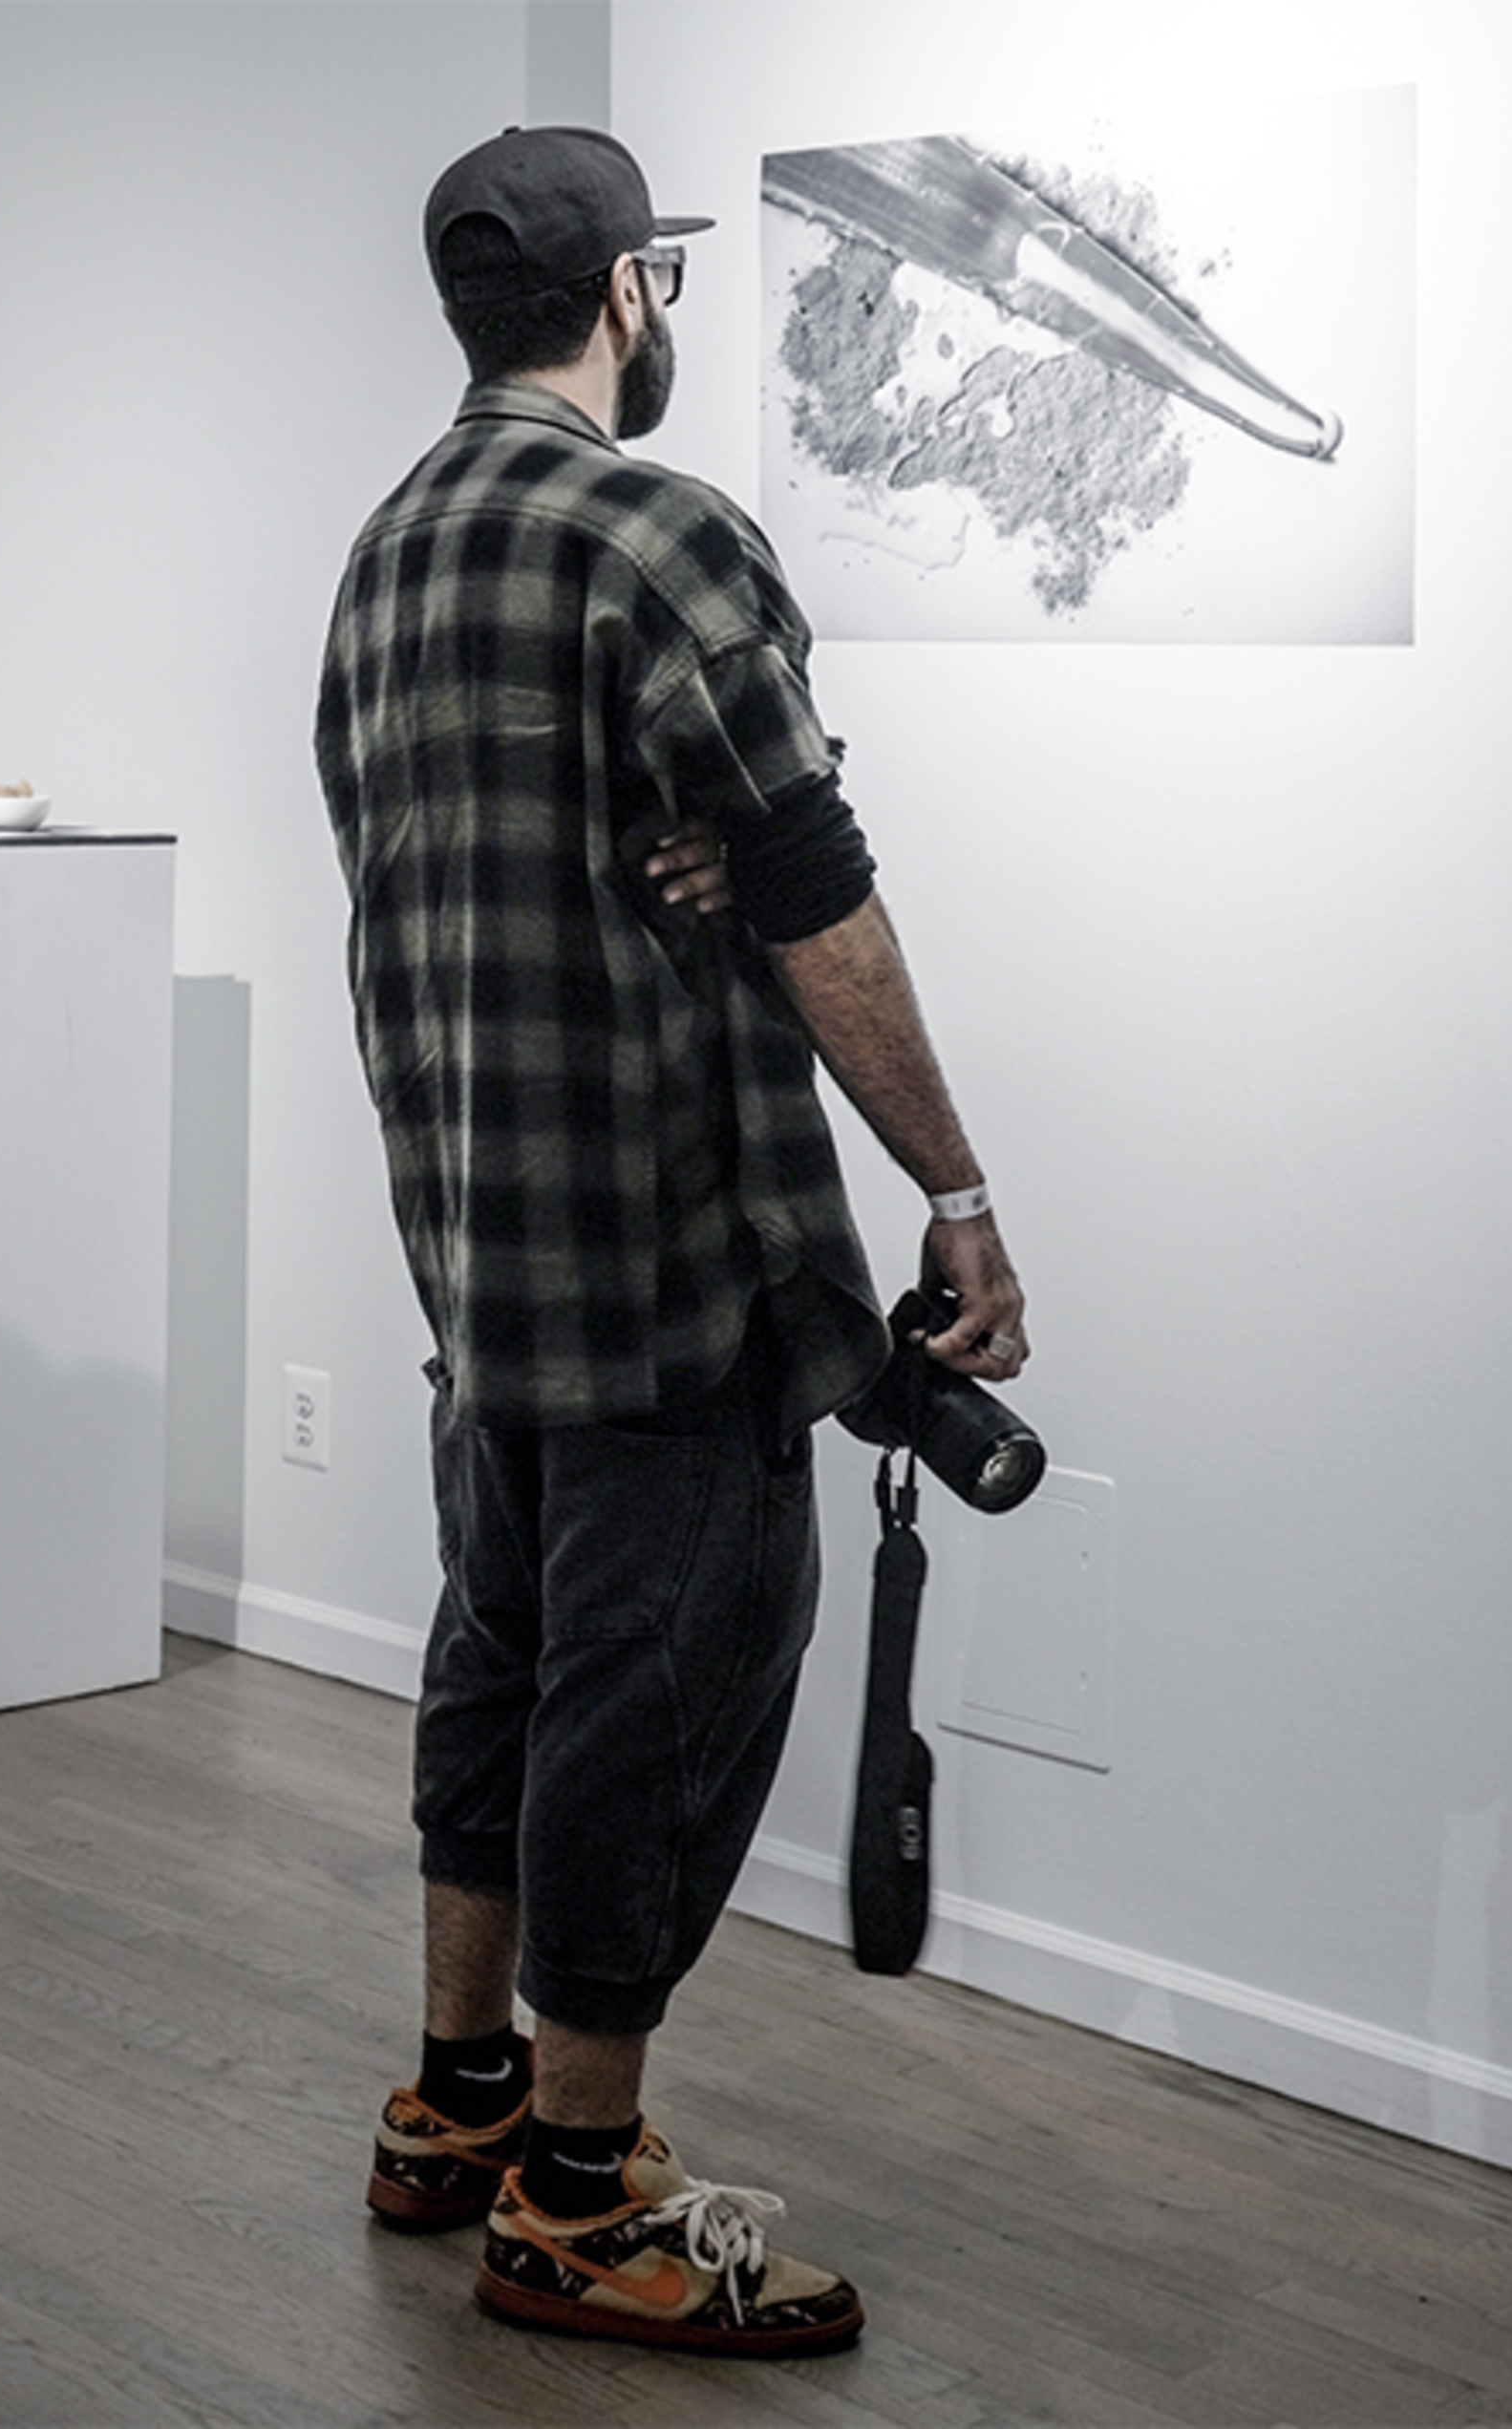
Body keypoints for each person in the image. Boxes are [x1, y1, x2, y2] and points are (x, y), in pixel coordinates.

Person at [316, 125, 1031, 2359]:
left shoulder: (387, 551)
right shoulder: (659, 531)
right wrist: (958, 1186)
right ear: (629, 295)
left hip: (472, 1242)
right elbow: (814, 890)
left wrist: (659, 852)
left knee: (501, 1648)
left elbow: (463, 874)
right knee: (669, 1676)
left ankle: (456, 2100)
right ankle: (587, 2186)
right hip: (667, 1247)